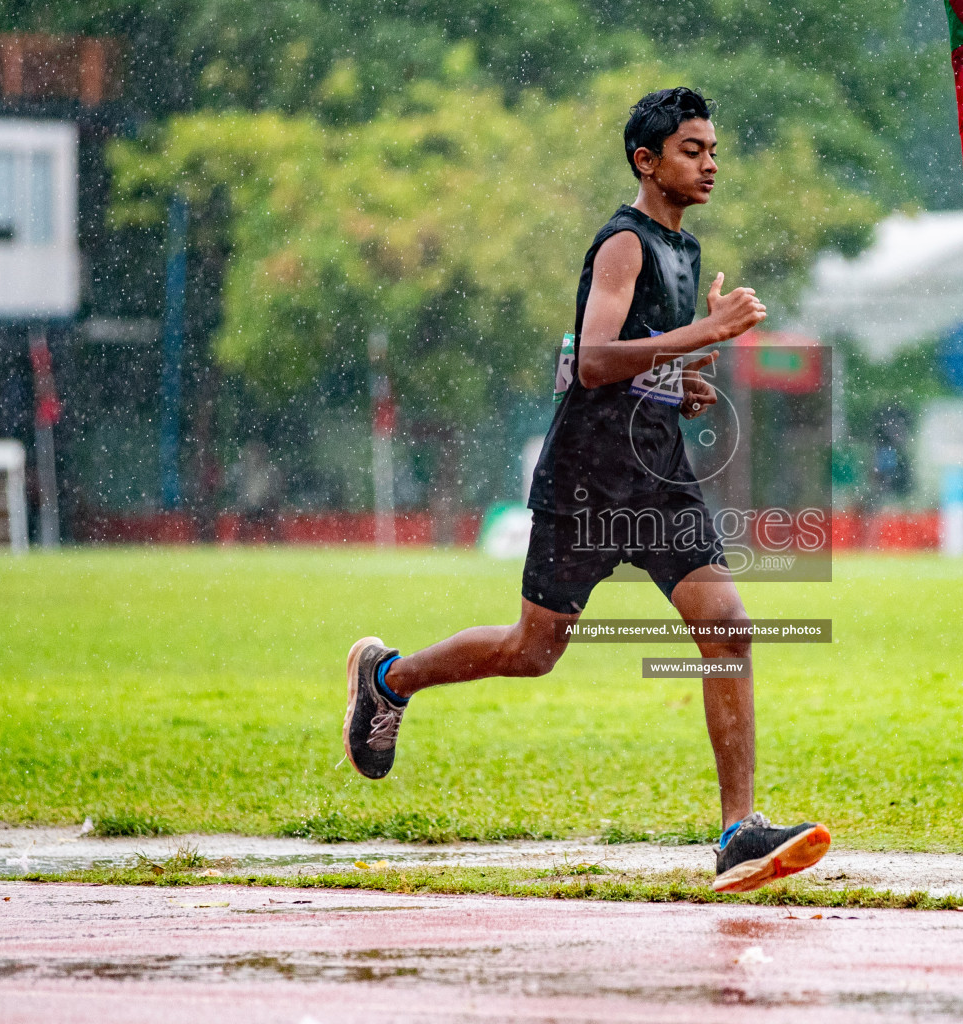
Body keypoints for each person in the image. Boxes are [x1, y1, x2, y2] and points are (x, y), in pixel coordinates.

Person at [342, 87, 830, 893]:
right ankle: (387, 679)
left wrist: (684, 383)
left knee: (729, 629)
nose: (710, 162)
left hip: (661, 475)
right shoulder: (622, 245)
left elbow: (641, 362)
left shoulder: (687, 250)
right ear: (647, 160)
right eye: (691, 150)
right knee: (533, 651)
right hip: (589, 481)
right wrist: (707, 334)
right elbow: (597, 360)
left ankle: (739, 832)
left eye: (712, 149)